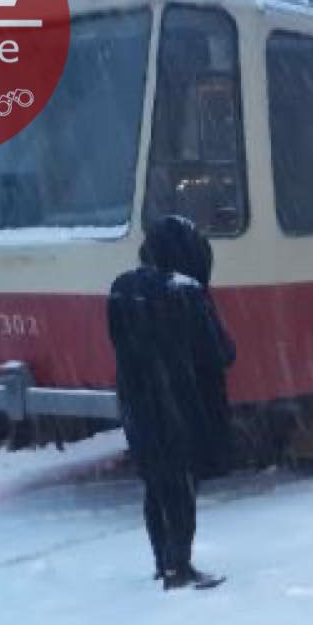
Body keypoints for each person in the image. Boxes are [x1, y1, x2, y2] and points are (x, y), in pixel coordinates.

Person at [108, 215, 235, 590]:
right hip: (181, 404)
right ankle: (179, 567)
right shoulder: (187, 292)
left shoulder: (121, 289)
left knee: (155, 483)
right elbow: (220, 353)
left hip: (136, 402)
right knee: (181, 485)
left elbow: (119, 343)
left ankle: (162, 561)